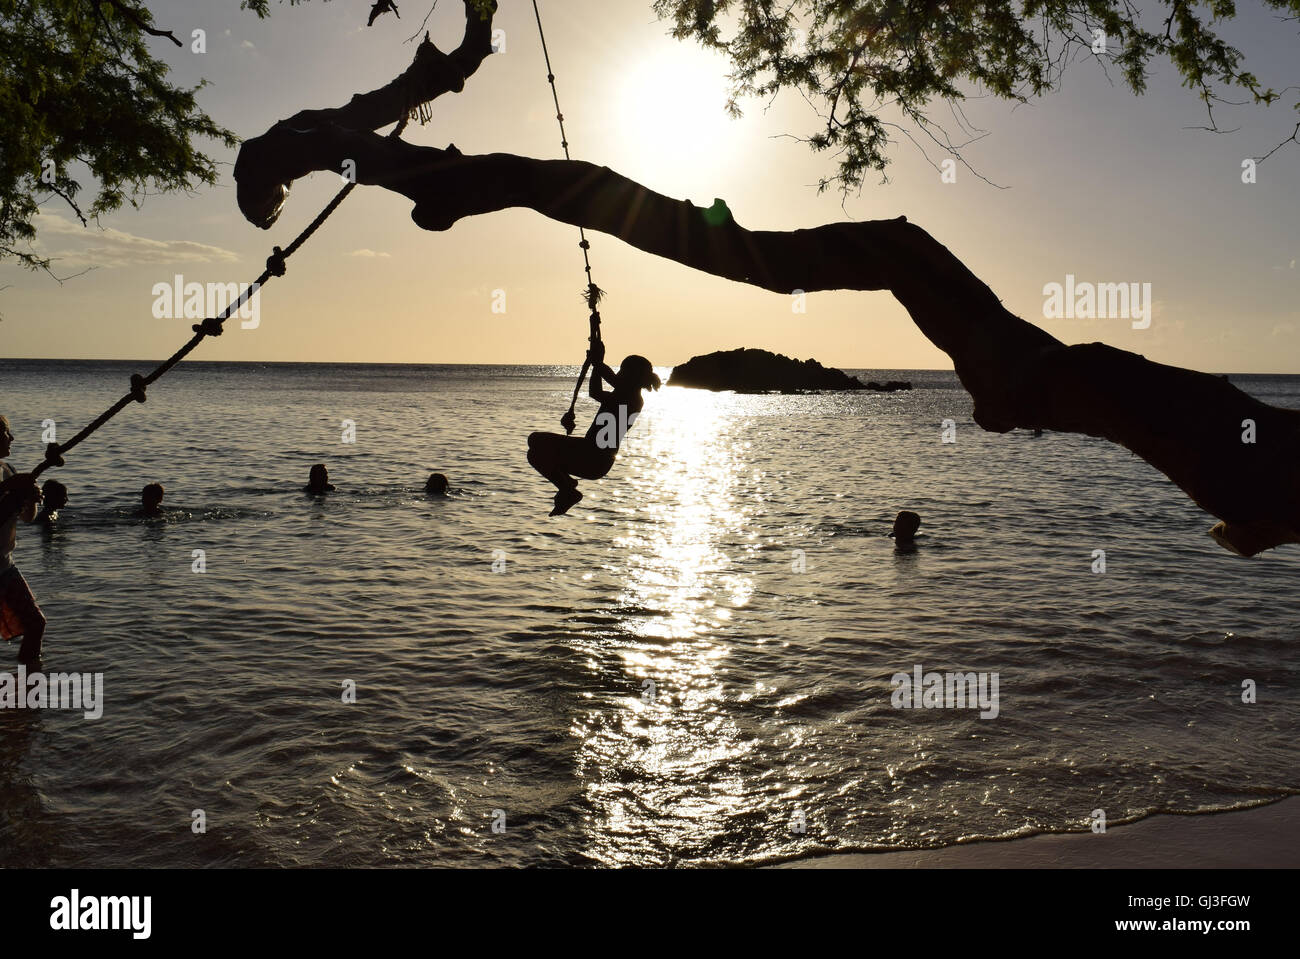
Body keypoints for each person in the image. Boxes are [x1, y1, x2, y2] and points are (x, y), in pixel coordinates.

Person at [527, 341, 660, 516]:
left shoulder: (631, 398)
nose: (619, 373)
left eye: (622, 371)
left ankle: (568, 489)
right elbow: (595, 392)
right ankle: (567, 486)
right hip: (592, 454)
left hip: (594, 457)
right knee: (534, 452)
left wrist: (598, 361)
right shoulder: (624, 394)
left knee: (536, 440)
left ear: (632, 376)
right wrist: (597, 363)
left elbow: (609, 382)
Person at [0, 415, 47, 665]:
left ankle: (29, 683)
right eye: (7, 433)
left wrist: (30, 499)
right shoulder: (10, 478)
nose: (12, 438)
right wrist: (10, 489)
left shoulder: (9, 470)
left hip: (5, 565)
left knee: (36, 624)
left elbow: (28, 518)